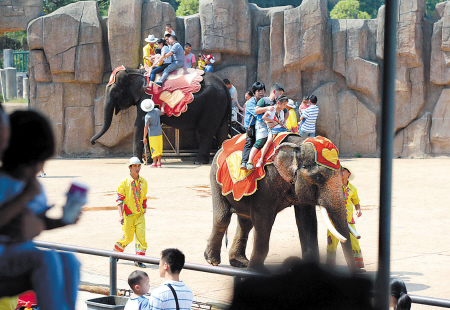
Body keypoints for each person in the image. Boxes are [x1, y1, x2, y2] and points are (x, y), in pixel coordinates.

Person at [0, 110, 81, 310]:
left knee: (69, 260)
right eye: (36, 162)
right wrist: (24, 196)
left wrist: (62, 221)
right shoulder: (5, 184)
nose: (39, 168)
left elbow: (35, 224)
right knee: (46, 258)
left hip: (20, 253)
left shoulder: (34, 187)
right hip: (3, 255)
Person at [326, 164, 365, 272]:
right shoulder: (333, 186)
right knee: (332, 243)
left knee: (354, 242)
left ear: (349, 174)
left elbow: (356, 201)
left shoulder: (353, 188)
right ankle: (330, 267)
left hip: (349, 221)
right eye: (340, 170)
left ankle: (357, 266)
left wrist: (358, 209)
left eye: (343, 170)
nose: (341, 172)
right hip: (334, 219)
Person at [113, 157, 148, 268]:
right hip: (128, 215)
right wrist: (120, 215)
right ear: (130, 167)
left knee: (141, 237)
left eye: (139, 166)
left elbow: (144, 198)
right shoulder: (124, 182)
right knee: (127, 237)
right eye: (135, 166)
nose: (137, 168)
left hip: (140, 215)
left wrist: (144, 208)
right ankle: (115, 253)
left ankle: (139, 260)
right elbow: (119, 200)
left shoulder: (144, 182)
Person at [245, 83, 285, 170]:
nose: (280, 96)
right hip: (262, 126)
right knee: (260, 142)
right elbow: (257, 111)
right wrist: (267, 109)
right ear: (274, 92)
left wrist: (284, 119)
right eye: (280, 94)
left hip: (273, 126)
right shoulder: (264, 100)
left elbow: (286, 111)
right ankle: (249, 161)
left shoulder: (277, 102)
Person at [255, 95, 290, 168]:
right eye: (284, 104)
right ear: (278, 103)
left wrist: (283, 123)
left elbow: (281, 121)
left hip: (279, 128)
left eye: (285, 105)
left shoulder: (282, 111)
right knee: (269, 140)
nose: (284, 106)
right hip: (272, 128)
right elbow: (264, 117)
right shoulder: (272, 109)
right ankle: (261, 159)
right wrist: (272, 121)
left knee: (290, 134)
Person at [240, 82, 266, 170]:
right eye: (259, 91)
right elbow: (257, 114)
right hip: (251, 125)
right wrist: (269, 120)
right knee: (250, 142)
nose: (261, 92)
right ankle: (244, 162)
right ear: (254, 92)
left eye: (262, 90)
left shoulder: (264, 101)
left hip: (261, 125)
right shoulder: (250, 102)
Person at [142, 99, 164, 167]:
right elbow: (163, 112)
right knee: (159, 147)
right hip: (159, 132)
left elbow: (146, 127)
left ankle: (154, 163)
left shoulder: (147, 116)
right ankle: (159, 162)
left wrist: (144, 137)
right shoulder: (157, 111)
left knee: (153, 148)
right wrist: (163, 106)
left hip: (152, 134)